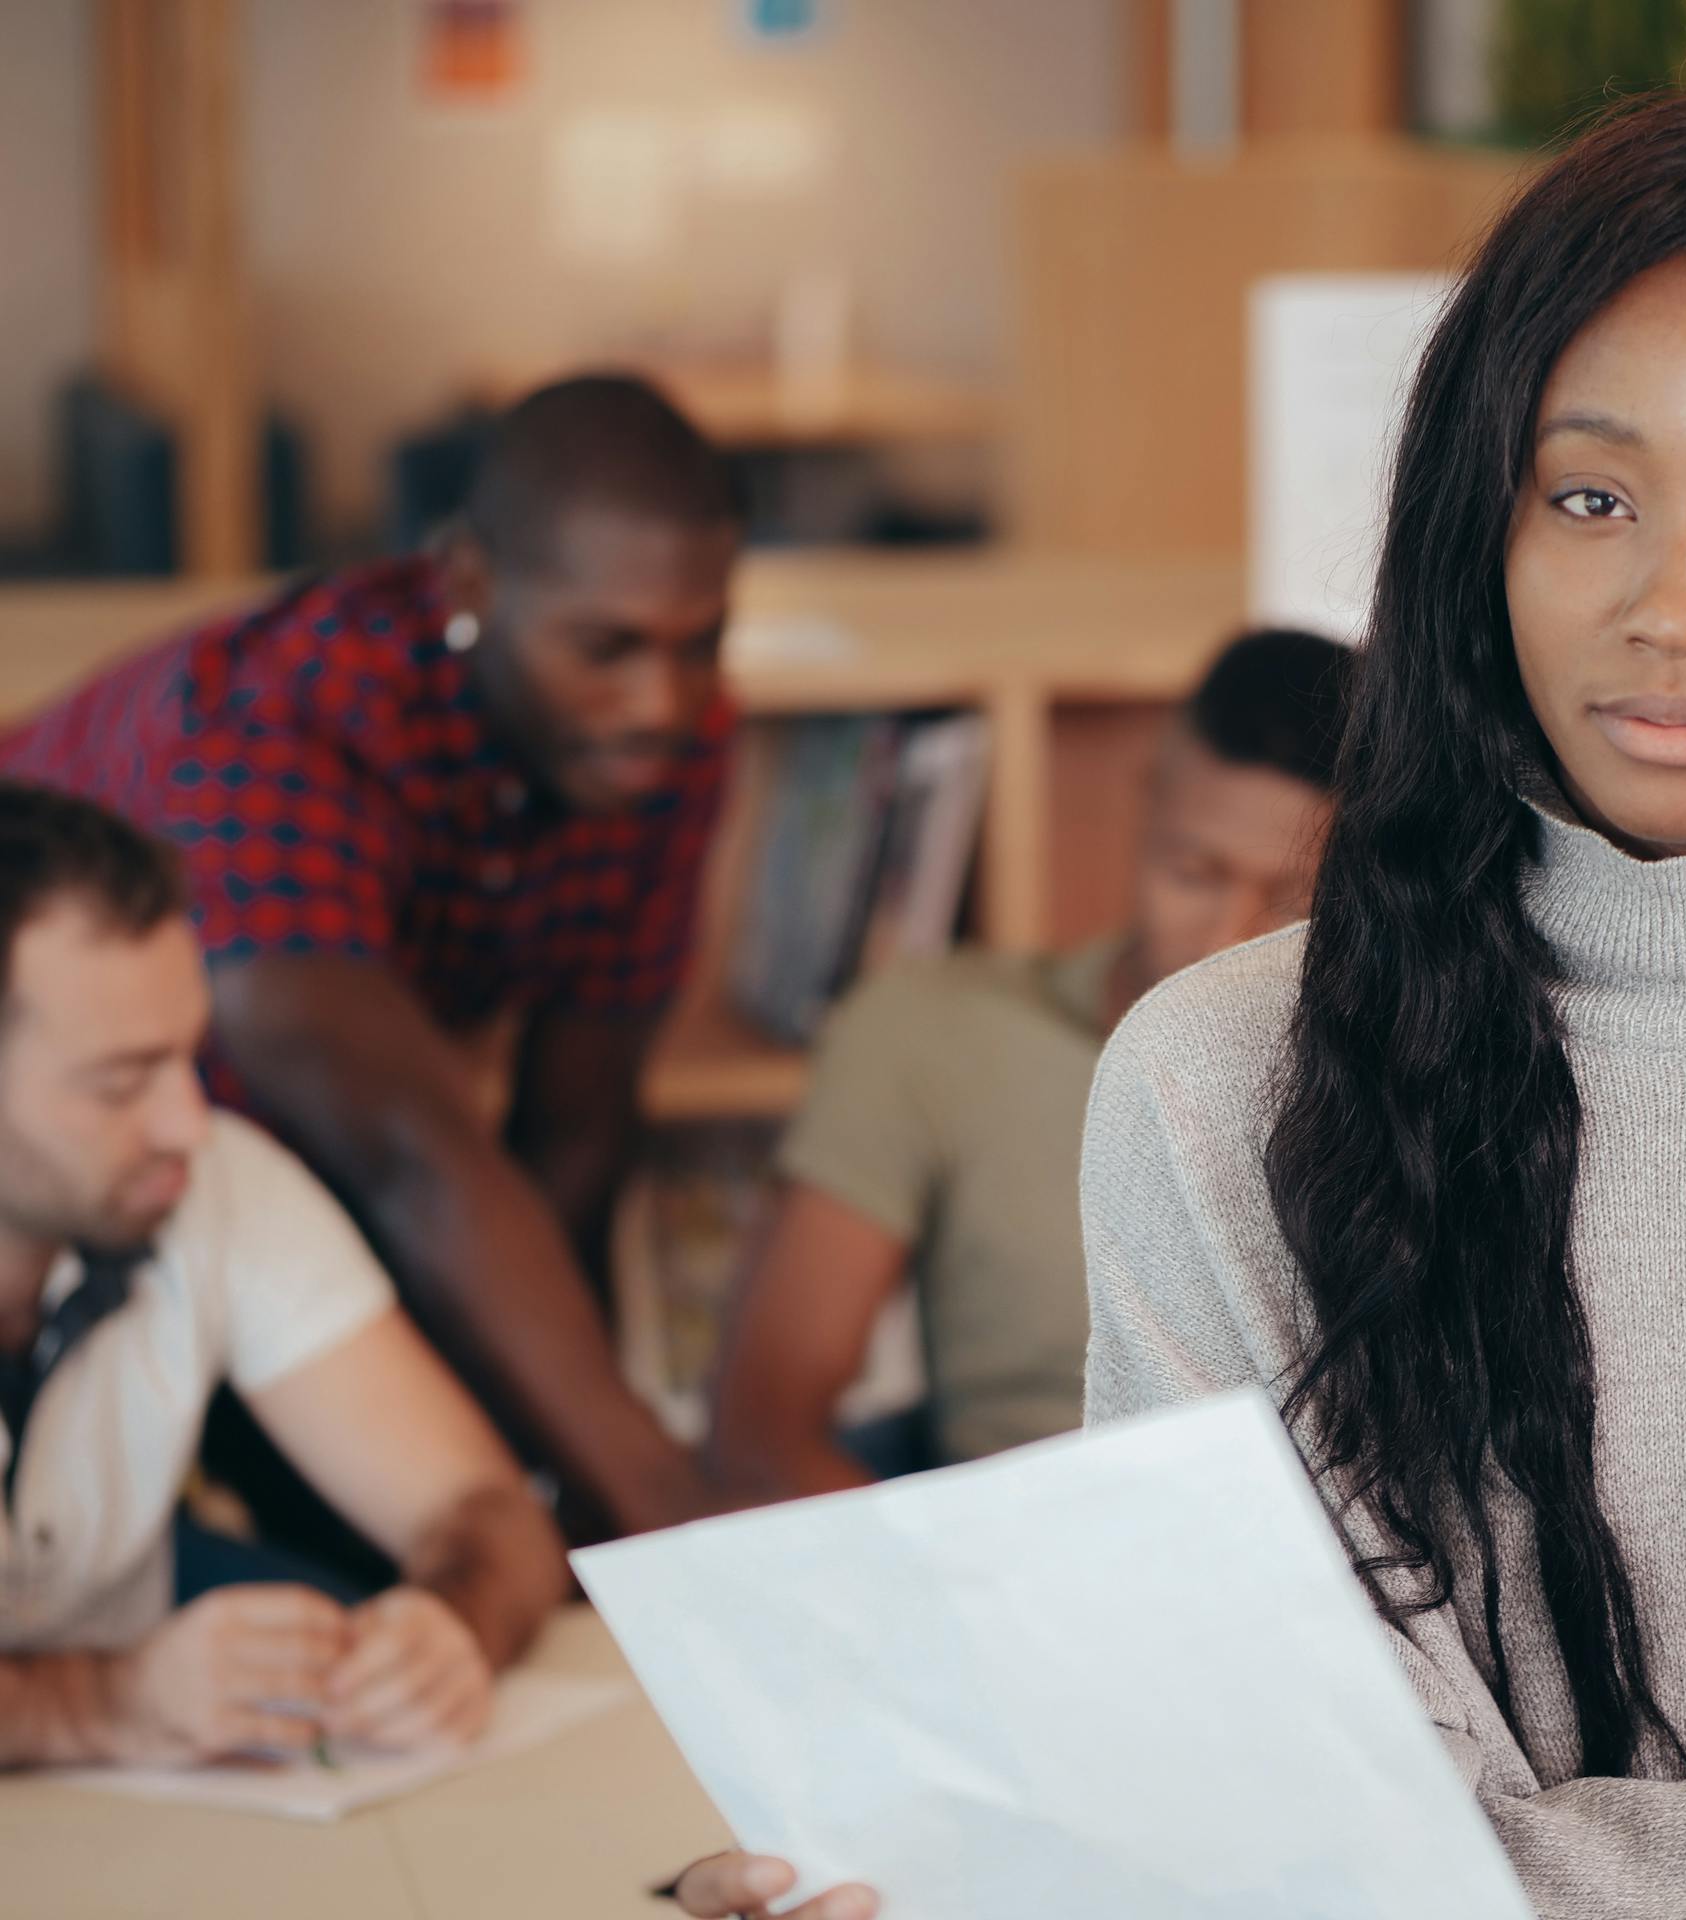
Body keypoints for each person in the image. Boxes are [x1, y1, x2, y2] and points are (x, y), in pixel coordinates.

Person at [675, 90, 1686, 1919]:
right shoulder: (1222, 1081)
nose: (1673, 604)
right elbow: (1258, 1814)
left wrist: (1408, 1876)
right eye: (1590, 495)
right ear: (1478, 527)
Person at [0, 375, 738, 1545]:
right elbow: (404, 1147)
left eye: (701, 644)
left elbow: (580, 1128)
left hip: (252, 1173)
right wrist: (663, 1507)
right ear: (468, 587)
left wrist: (595, 1490)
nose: (663, 700)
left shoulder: (663, 735)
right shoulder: (280, 727)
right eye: (607, 647)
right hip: (82, 1157)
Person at [706, 629, 1351, 1500]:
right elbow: (758, 1436)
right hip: (1010, 1567)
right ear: (1147, 804)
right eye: (1191, 871)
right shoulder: (933, 1034)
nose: (1220, 942)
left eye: (1286, 905)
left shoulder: (1411, 1089)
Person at [0, 784, 565, 1769]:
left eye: (188, 1054)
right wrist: (107, 1702)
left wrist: (452, 1626)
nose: (188, 1120)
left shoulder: (212, 1179)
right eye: (121, 1081)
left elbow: (490, 1513)